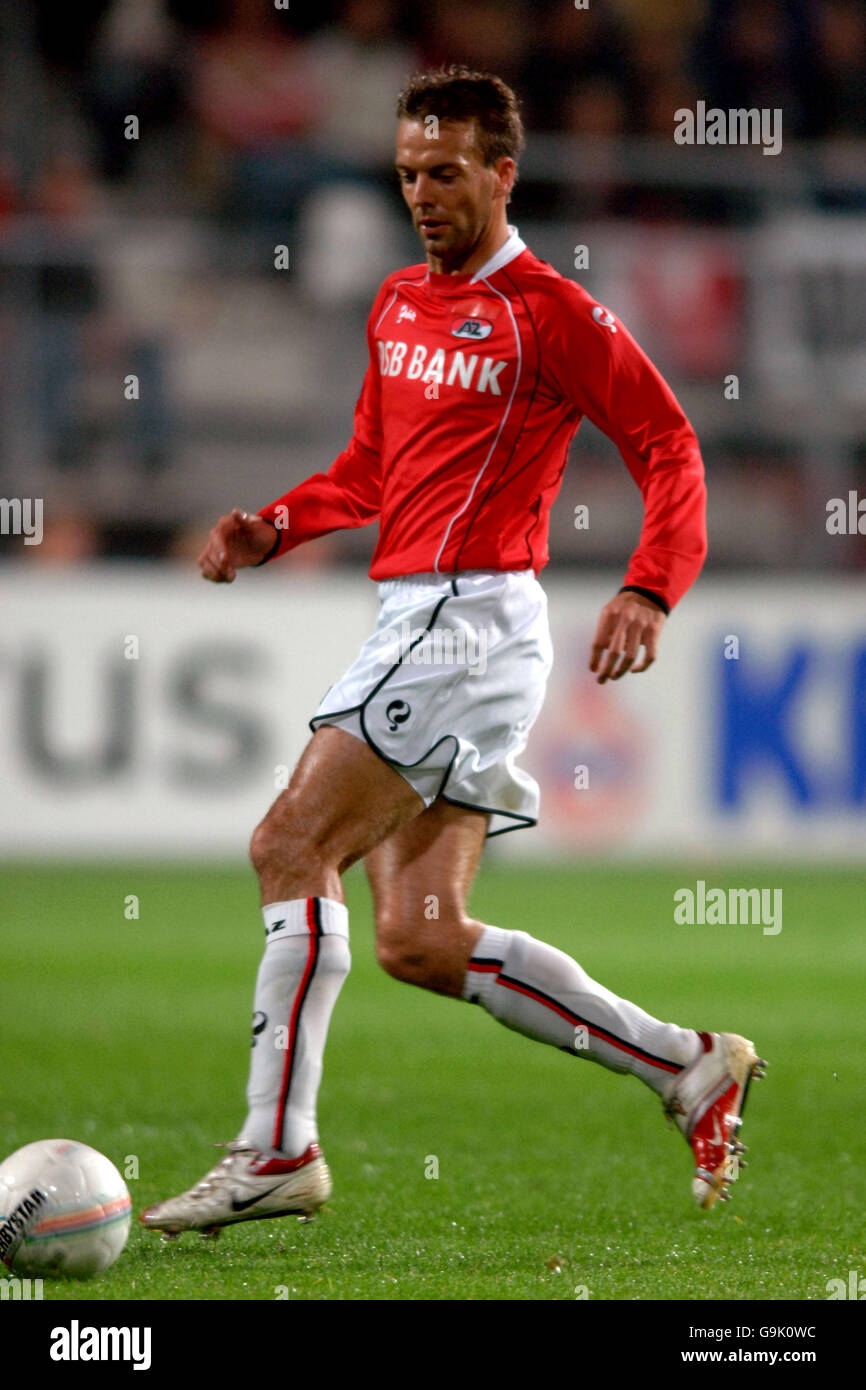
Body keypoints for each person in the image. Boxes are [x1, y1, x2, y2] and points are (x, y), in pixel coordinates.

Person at [142, 66, 764, 1238]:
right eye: (407, 175)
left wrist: (648, 587)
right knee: (418, 937)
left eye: (444, 173)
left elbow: (667, 445)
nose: (422, 195)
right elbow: (373, 470)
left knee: (288, 843)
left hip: (467, 620)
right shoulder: (393, 304)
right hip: (419, 617)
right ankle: (686, 1065)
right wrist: (275, 524)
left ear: (500, 174)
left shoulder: (551, 314)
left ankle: (276, 1149)